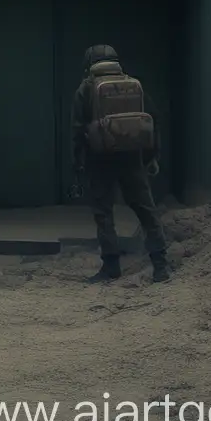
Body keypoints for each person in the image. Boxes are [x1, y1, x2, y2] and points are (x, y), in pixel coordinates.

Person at [70, 44, 170, 283]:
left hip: (99, 160)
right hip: (132, 158)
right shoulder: (133, 85)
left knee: (104, 214)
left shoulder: (85, 89)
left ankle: (111, 267)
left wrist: (78, 163)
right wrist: (151, 157)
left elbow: (77, 131)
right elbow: (153, 120)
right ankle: (160, 265)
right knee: (146, 210)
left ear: (89, 65)